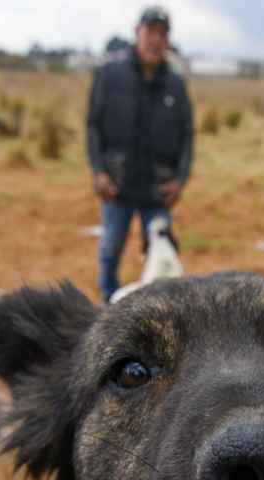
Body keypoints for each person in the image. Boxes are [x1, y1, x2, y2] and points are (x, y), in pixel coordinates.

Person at [86, 6, 194, 302]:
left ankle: (161, 317)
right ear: (137, 32)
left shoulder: (175, 84)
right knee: (110, 248)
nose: (155, 40)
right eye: (150, 32)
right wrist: (98, 171)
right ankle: (108, 304)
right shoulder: (110, 75)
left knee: (162, 258)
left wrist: (179, 180)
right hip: (117, 184)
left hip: (158, 189)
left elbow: (187, 136)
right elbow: (93, 125)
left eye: (162, 34)